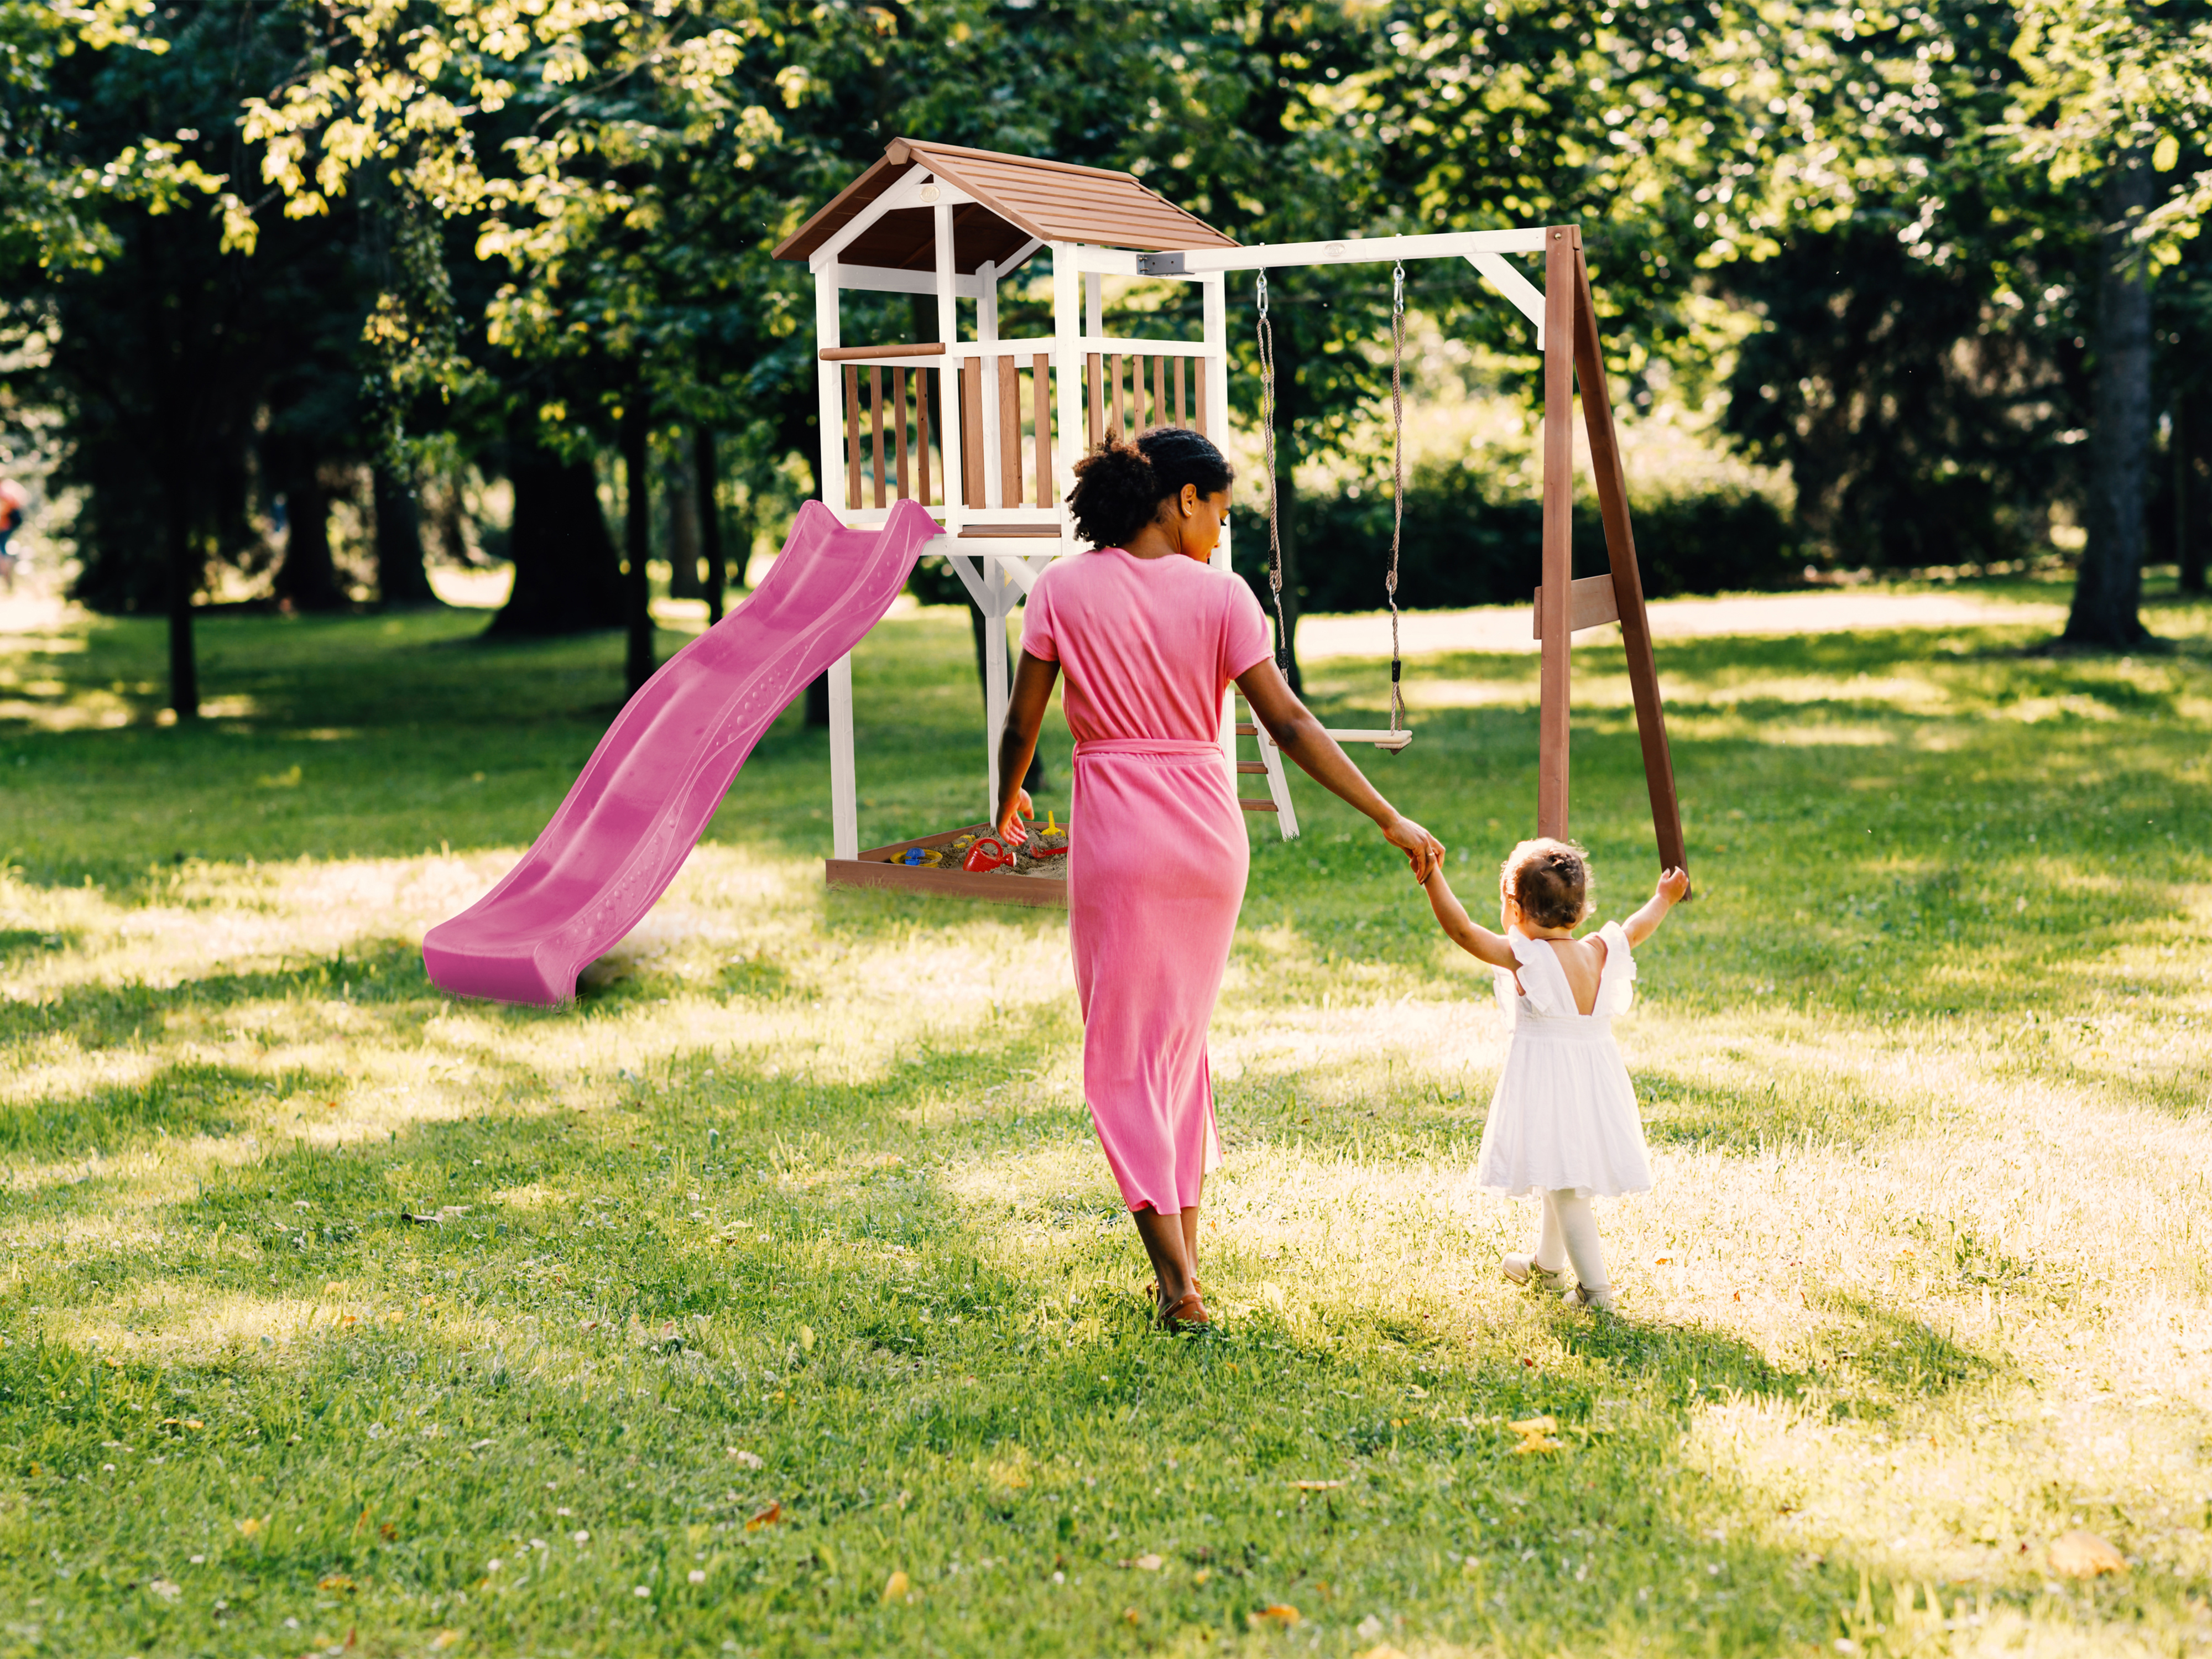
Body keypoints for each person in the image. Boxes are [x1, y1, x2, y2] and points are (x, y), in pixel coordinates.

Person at [994, 428, 1444, 1332]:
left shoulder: (1061, 589)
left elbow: (1022, 725)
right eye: (1221, 513)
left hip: (1120, 840)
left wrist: (1003, 808)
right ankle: (1185, 1268)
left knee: (1124, 1058)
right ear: (1182, 499)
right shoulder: (1225, 598)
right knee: (1175, 1051)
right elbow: (1290, 724)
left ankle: (1175, 1285)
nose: (1221, 533)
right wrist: (1385, 814)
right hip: (1207, 841)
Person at [1418, 838, 1689, 1311]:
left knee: (1565, 1187)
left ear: (1515, 908)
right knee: (1555, 1169)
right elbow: (1635, 927)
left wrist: (1431, 875)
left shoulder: (1527, 958)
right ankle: (1547, 1267)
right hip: (1594, 1080)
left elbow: (1462, 931)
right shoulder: (1598, 951)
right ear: (1580, 912)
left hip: (1551, 1083)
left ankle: (1596, 1292)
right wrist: (1663, 898)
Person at [0, 478, 27, 595]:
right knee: (3, 549)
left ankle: (6, 575)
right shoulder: (8, 486)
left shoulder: (4, 491)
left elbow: (5, 509)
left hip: (7, 524)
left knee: (2, 550)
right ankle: (7, 577)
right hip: (10, 523)